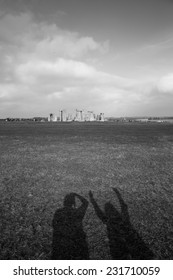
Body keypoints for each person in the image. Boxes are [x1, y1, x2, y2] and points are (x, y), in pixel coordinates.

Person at [89, 188, 154, 259]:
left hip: (119, 250)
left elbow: (99, 213)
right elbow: (124, 207)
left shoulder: (109, 222)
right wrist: (118, 194)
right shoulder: (123, 221)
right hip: (131, 249)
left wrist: (92, 199)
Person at [52, 192, 89, 259]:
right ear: (73, 203)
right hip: (77, 242)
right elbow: (86, 202)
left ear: (64, 202)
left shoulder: (59, 212)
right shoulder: (77, 212)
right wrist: (76, 194)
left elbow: (54, 225)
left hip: (62, 243)